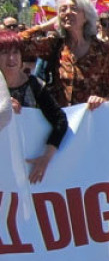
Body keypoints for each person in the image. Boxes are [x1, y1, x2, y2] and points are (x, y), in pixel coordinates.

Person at [18, 0, 109, 109]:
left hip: (93, 120)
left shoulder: (102, 50)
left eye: (74, 8)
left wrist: (102, 100)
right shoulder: (55, 46)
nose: (68, 12)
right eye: (63, 9)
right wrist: (44, 26)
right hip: (63, 120)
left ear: (86, 16)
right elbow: (15, 42)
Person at [0, 31, 68, 184]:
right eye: (4, 53)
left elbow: (60, 120)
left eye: (15, 52)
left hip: (28, 167)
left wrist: (46, 158)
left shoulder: (35, 85)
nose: (11, 58)